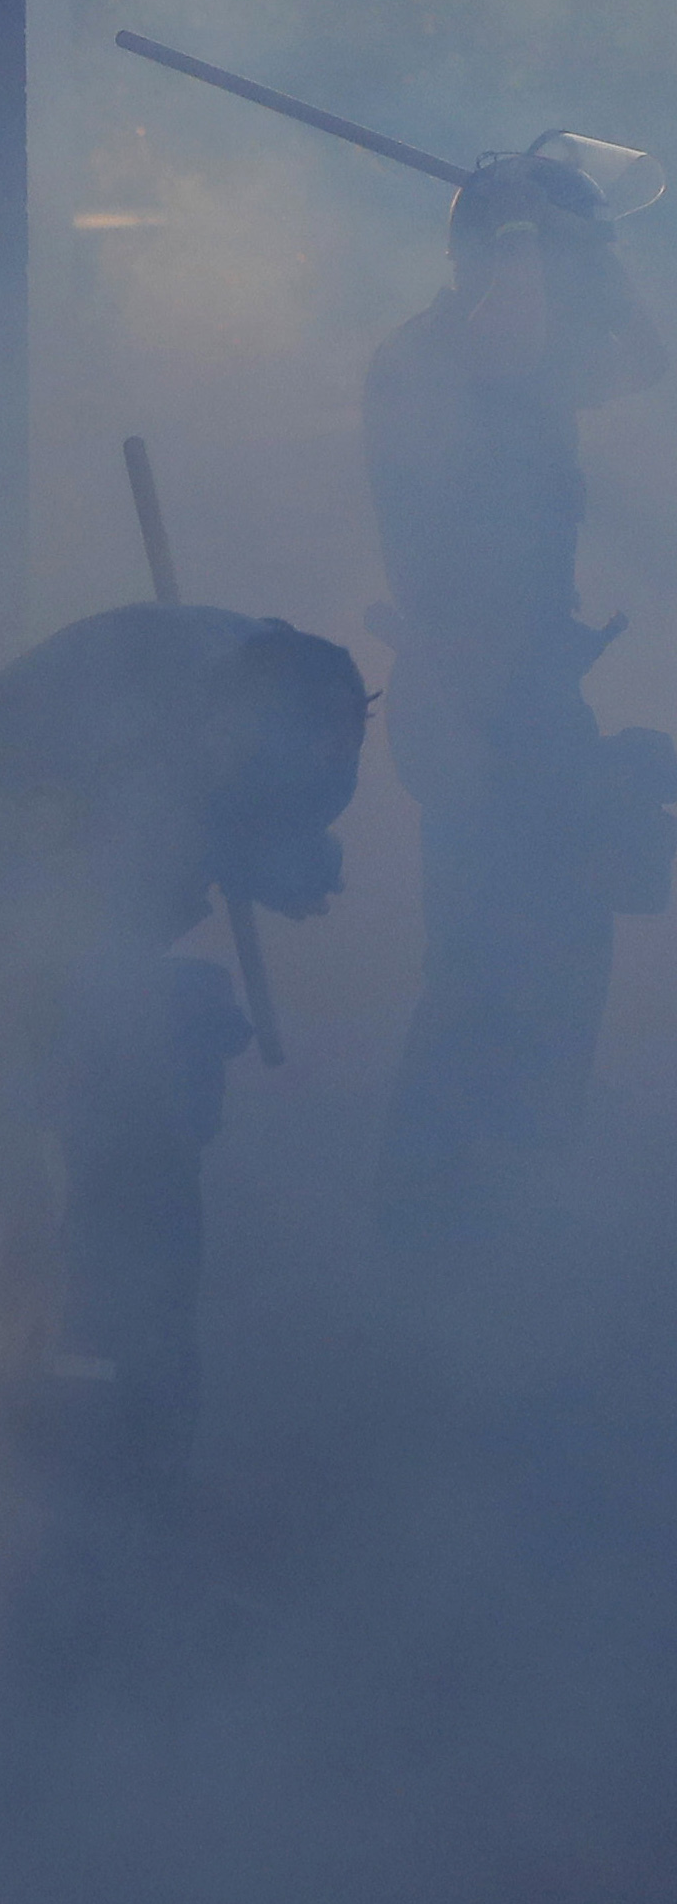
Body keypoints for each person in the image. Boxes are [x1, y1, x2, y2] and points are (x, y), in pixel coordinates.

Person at [0, 604, 367, 1550]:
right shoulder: (119, 752)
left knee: (130, 1174)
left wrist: (270, 848)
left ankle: (98, 1469)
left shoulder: (275, 688)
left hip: (33, 928)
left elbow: (220, 826)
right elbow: (51, 942)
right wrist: (232, 867)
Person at [362, 143, 677, 1256]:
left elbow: (639, 356)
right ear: (492, 260)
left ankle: (505, 1222)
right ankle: (426, 1240)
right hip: (472, 715)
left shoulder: (529, 361)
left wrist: (583, 246)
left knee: (556, 955)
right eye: (549, 265)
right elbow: (498, 344)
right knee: (485, 972)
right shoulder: (430, 362)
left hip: (526, 708)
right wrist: (521, 236)